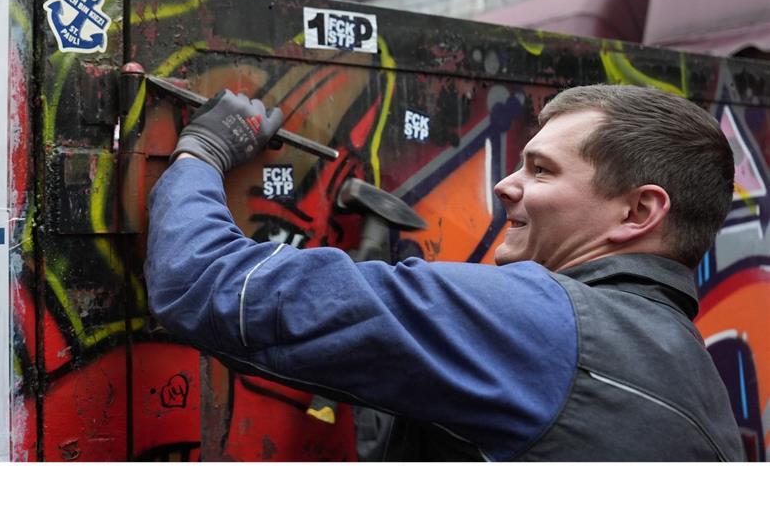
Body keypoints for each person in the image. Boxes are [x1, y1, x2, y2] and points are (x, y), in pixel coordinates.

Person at [144, 84, 744, 461]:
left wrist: (202, 153)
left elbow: (201, 281)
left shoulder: (545, 326)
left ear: (638, 211)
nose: (506, 185)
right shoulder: (690, 367)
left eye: (541, 171)